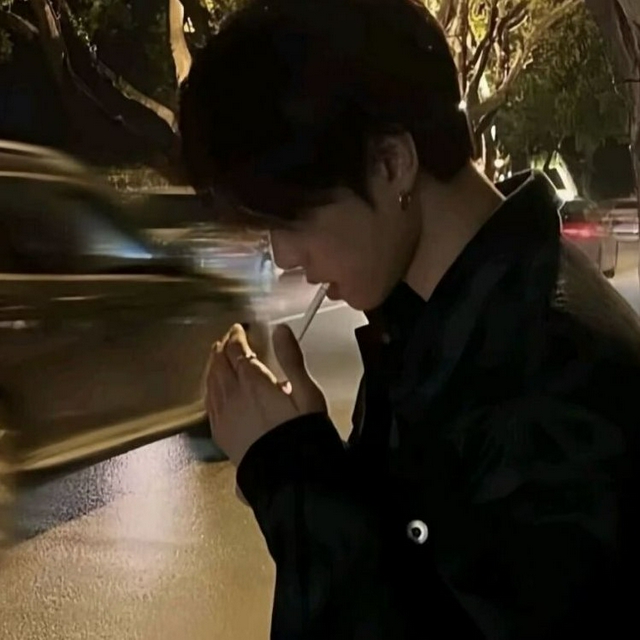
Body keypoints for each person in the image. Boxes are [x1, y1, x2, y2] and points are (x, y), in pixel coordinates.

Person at [179, 1, 639, 637]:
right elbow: (416, 566)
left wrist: (293, 479)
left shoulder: (552, 383)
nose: (284, 256)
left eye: (292, 219)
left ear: (391, 163)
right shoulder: (437, 319)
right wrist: (312, 465)